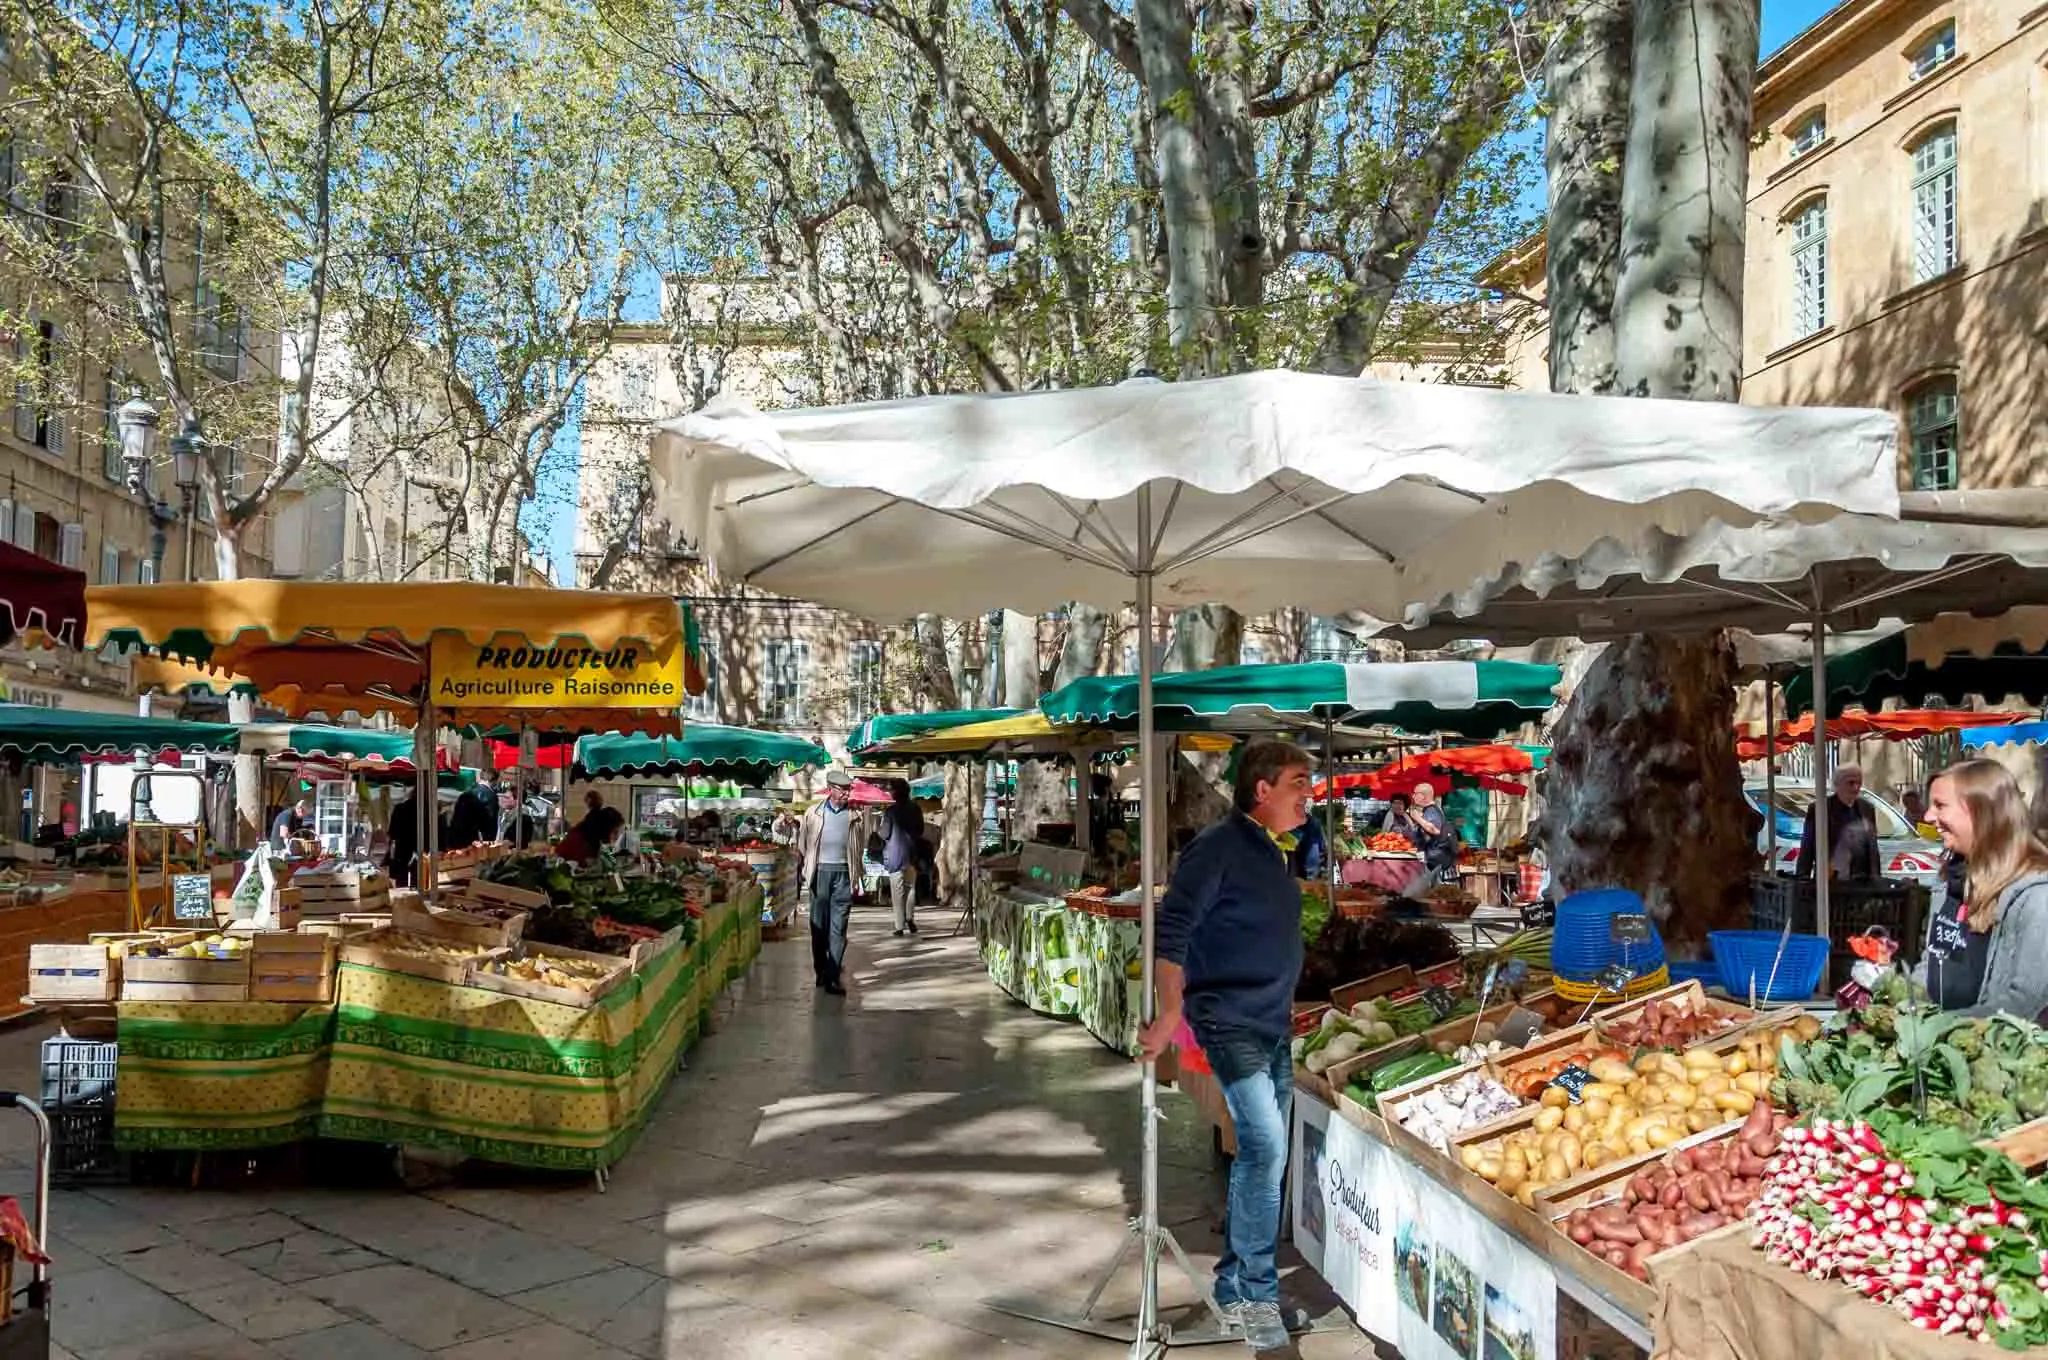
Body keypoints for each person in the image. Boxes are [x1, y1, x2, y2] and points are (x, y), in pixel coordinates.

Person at [1139, 739, 1315, 1353]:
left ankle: (1237, 1285)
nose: (1308, 794)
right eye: (1298, 782)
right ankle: (1258, 1299)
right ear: (1261, 789)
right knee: (1265, 1149)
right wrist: (1168, 1014)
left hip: (1272, 1023)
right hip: (1229, 1022)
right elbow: (1173, 930)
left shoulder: (1272, 849)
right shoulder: (1217, 847)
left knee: (1260, 1157)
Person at [1913, 760, 2048, 1020]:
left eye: (1940, 805)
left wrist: (1942, 1028)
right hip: (1940, 1051)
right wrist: (1895, 999)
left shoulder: (2036, 896)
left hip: (2003, 1055)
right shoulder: (1949, 883)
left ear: (1980, 812)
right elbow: (1932, 966)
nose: (1928, 817)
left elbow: (2026, 1002)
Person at [795, 769, 871, 996]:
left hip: (844, 874)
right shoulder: (813, 813)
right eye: (843, 789)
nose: (848, 793)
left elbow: (860, 845)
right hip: (820, 874)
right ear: (831, 789)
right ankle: (820, 970)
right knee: (819, 926)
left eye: (849, 789)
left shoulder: (855, 816)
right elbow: (802, 844)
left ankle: (833, 975)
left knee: (839, 927)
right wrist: (806, 870)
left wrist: (857, 875)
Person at [1796, 764, 1880, 882]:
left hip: (1861, 882)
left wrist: (1876, 879)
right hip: (1830, 880)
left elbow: (1873, 847)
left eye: (1859, 783)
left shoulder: (1867, 808)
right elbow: (1807, 845)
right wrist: (1802, 877)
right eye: (1850, 783)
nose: (1856, 788)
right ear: (1837, 784)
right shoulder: (1820, 808)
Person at [882, 778, 923, 937]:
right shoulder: (916, 809)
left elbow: (884, 833)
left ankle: (899, 926)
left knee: (897, 892)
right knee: (910, 889)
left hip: (895, 856)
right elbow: (920, 829)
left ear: (896, 792)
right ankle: (910, 918)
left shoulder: (890, 811)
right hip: (912, 855)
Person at [1402, 782, 1460, 879]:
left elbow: (1434, 830)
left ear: (1423, 796)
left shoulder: (1431, 810)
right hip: (1437, 863)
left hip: (1438, 865)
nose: (1413, 796)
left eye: (1415, 793)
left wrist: (1417, 818)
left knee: (1438, 892)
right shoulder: (1431, 810)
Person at [555, 805, 624, 864]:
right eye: (615, 832)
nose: (617, 837)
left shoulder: (589, 839)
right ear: (605, 829)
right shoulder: (578, 841)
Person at [386, 792, 419, 887]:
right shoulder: (427, 810)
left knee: (402, 881)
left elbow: (392, 833)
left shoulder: (399, 808)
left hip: (402, 849)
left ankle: (404, 898)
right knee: (419, 879)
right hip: (421, 848)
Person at [1287, 807, 1326, 880]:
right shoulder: (1315, 822)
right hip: (1308, 860)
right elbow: (1321, 845)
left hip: (1300, 859)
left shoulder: (1291, 822)